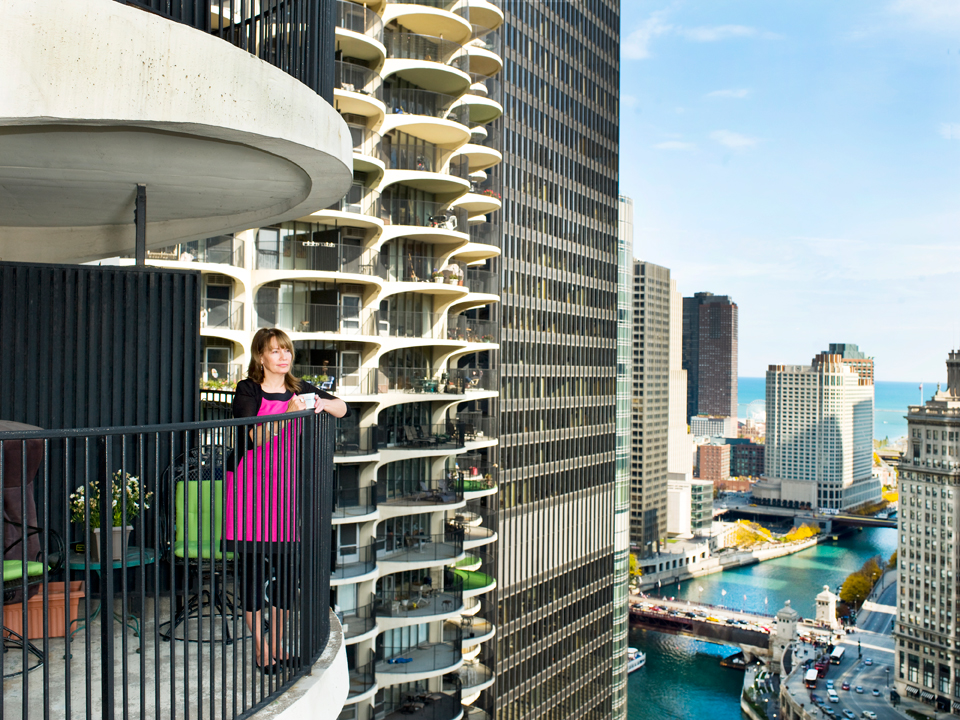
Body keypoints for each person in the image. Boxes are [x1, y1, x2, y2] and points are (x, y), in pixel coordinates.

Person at [226, 328, 347, 674]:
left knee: (287, 573)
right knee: (251, 574)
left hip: (285, 493)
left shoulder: (300, 388)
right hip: (249, 491)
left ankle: (278, 645)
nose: (283, 356)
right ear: (260, 357)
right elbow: (253, 435)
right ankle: (262, 650)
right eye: (275, 351)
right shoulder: (247, 389)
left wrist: (322, 403)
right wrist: (288, 416)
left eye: (286, 350)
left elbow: (344, 408)